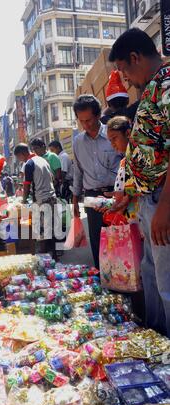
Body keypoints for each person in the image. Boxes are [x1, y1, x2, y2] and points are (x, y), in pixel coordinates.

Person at [109, 28, 170, 338]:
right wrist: (129, 195)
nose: (124, 78)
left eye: (123, 69)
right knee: (151, 274)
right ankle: (158, 341)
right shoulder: (151, 88)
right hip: (147, 199)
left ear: (135, 58)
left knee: (166, 279)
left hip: (162, 199)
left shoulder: (167, 84)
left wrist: (165, 206)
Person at [72, 94, 122, 269]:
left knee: (119, 240)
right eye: (81, 121)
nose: (86, 125)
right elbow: (78, 170)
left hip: (116, 195)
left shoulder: (113, 134)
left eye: (89, 120)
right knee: (98, 242)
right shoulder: (77, 142)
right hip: (92, 197)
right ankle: (104, 283)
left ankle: (124, 285)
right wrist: (75, 199)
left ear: (98, 115)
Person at [14, 143, 58, 260]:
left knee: (41, 232)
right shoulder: (42, 160)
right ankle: (54, 256)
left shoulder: (29, 164)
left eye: (18, 157)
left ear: (22, 154)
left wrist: (23, 201)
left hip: (41, 200)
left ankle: (43, 259)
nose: (19, 160)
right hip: (52, 197)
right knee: (52, 230)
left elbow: (27, 186)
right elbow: (52, 178)